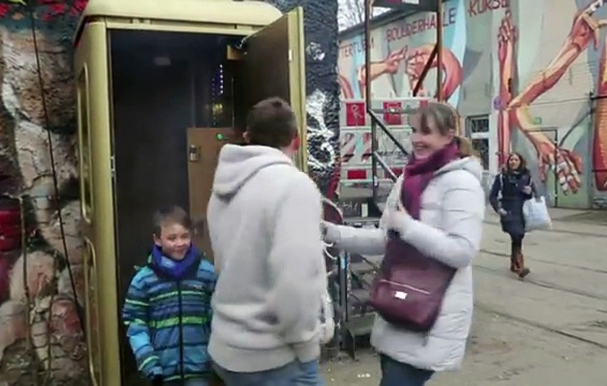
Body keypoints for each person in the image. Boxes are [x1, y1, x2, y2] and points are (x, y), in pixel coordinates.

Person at [323, 102, 485, 386]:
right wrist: (332, 232)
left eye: (427, 132)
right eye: (413, 130)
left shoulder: (461, 183)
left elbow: (462, 251)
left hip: (430, 316)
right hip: (397, 307)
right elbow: (386, 239)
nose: (416, 139)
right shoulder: (409, 178)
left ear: (448, 136)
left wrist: (408, 227)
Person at [206, 97, 327, 385]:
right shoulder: (294, 187)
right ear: (296, 141)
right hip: (274, 357)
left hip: (226, 347)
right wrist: (307, 343)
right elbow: (295, 282)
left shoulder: (223, 183)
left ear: (247, 137)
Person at [122, 206, 216, 386]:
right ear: (157, 240)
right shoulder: (143, 280)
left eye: (185, 236)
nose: (180, 243)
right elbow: (136, 325)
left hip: (200, 370)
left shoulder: (206, 273)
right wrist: (149, 363)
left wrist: (215, 358)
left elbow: (216, 317)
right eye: (172, 238)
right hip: (161, 372)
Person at [489, 152, 536, 278]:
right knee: (516, 234)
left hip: (521, 210)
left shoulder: (526, 176)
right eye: (511, 160)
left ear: (521, 162)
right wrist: (499, 209)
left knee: (518, 236)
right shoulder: (502, 177)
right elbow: (492, 196)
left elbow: (534, 194)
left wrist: (529, 191)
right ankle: (520, 266)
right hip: (507, 209)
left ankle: (514, 263)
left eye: (516, 160)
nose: (513, 162)